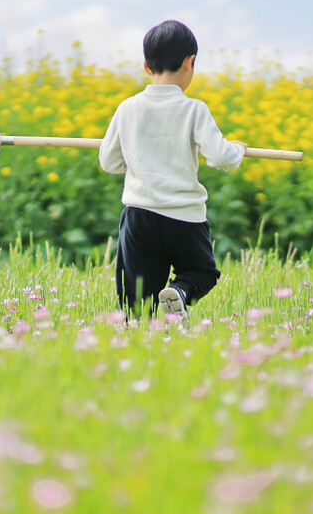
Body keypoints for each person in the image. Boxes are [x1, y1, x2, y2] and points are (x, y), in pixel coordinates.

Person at [99, 19, 247, 322]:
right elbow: (221, 158)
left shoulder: (128, 108)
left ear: (146, 66)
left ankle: (138, 334)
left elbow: (109, 162)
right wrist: (239, 149)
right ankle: (179, 292)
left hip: (140, 216)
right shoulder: (194, 110)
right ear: (189, 63)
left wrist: (139, 155)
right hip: (184, 218)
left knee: (137, 295)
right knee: (201, 272)